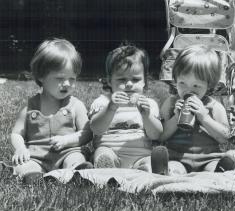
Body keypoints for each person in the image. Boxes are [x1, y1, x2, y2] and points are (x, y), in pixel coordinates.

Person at [10, 38, 93, 183]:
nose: (67, 84)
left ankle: (77, 171)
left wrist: (68, 140)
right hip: (37, 156)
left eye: (72, 79)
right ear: (41, 76)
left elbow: (87, 132)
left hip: (67, 152)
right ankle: (33, 175)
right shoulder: (31, 107)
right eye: (60, 78)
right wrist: (20, 148)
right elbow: (16, 133)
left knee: (76, 158)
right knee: (23, 166)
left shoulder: (75, 105)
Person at [156, 44, 235, 175]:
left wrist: (205, 118)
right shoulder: (171, 103)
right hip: (177, 156)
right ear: (175, 80)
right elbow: (162, 136)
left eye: (196, 86)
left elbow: (224, 137)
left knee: (212, 168)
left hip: (208, 157)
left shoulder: (214, 106)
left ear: (209, 85)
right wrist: (175, 118)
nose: (188, 90)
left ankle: (218, 171)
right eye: (182, 83)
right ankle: (167, 172)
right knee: (175, 168)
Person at [89, 44, 163, 171]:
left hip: (140, 154)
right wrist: (111, 108)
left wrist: (147, 115)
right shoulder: (102, 102)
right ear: (109, 81)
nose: (129, 84)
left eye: (135, 79)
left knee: (148, 161)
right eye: (122, 79)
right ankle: (106, 166)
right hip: (110, 150)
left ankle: (145, 168)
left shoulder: (149, 104)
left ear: (144, 81)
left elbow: (156, 135)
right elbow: (96, 129)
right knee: (102, 153)